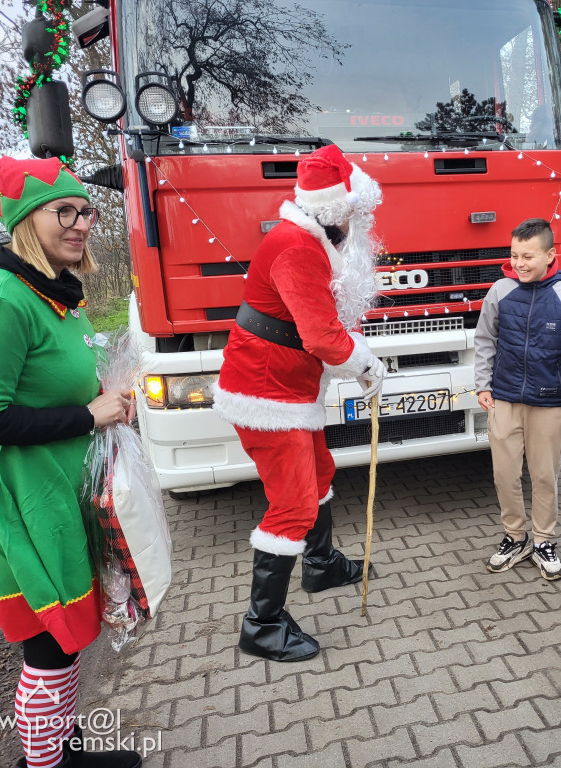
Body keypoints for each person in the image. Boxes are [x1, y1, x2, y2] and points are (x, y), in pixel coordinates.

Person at [0, 156, 141, 767]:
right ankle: (46, 764)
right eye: (65, 212)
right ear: (27, 221)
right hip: (19, 501)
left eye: (86, 211)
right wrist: (90, 417)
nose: (81, 223)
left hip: (57, 491)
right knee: (49, 652)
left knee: (66, 639)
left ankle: (65, 746)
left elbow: (55, 386)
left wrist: (107, 402)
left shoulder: (58, 292)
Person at [213, 144, 386, 662]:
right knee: (292, 504)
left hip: (291, 389)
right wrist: (367, 366)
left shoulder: (309, 239)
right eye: (353, 212)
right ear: (335, 211)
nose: (357, 222)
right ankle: (261, 625)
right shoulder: (297, 249)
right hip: (267, 394)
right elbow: (322, 337)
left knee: (321, 469)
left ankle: (321, 564)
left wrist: (359, 356)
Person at [475, 218, 561, 581]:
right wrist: (482, 384)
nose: (519, 263)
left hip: (549, 403)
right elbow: (484, 340)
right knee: (504, 474)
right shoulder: (499, 291)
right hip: (504, 399)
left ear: (549, 255)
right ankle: (515, 536)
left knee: (544, 476)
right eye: (514, 255)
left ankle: (543, 540)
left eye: (528, 256)